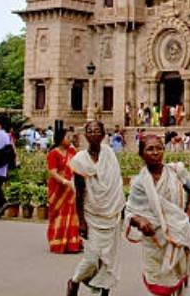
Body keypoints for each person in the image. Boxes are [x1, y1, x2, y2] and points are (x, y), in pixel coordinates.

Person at [126, 134, 190, 295]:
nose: (155, 152)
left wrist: (189, 213)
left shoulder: (176, 171)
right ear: (141, 154)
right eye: (150, 149)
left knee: (178, 280)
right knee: (159, 281)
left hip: (178, 234)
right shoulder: (139, 182)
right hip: (154, 240)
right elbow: (130, 211)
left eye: (159, 148)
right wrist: (140, 221)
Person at [67, 121, 125, 296]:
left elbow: (116, 185)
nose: (93, 134)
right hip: (92, 214)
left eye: (97, 131)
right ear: (85, 135)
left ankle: (104, 292)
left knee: (109, 258)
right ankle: (74, 281)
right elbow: (79, 193)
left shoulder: (109, 155)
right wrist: (81, 221)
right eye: (89, 131)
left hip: (112, 215)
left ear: (103, 135)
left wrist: (120, 210)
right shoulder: (80, 160)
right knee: (92, 257)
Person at [47, 127, 82, 254]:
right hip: (58, 189)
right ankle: (58, 242)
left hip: (71, 188)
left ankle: (73, 243)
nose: (70, 139)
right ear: (60, 139)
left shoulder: (72, 151)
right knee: (58, 215)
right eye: (67, 137)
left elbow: (79, 164)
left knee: (72, 214)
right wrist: (64, 181)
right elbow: (53, 172)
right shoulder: (53, 153)